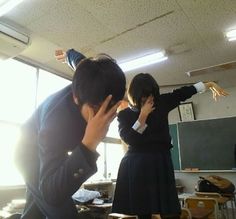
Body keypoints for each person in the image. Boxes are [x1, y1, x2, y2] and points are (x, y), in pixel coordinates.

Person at [15, 49, 126, 219]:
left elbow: (80, 62)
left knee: (35, 212)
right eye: (96, 111)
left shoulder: (89, 77)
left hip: (48, 148)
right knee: (63, 212)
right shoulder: (56, 124)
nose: (102, 120)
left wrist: (69, 55)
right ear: (76, 98)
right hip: (28, 150)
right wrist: (89, 144)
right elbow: (52, 194)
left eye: (110, 111)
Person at [111, 73, 229, 219]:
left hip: (160, 160)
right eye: (145, 96)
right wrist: (143, 116)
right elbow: (130, 139)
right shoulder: (124, 115)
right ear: (135, 95)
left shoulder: (161, 103)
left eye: (152, 94)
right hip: (137, 163)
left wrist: (208, 84)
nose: (150, 99)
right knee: (143, 211)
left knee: (169, 210)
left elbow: (183, 93)